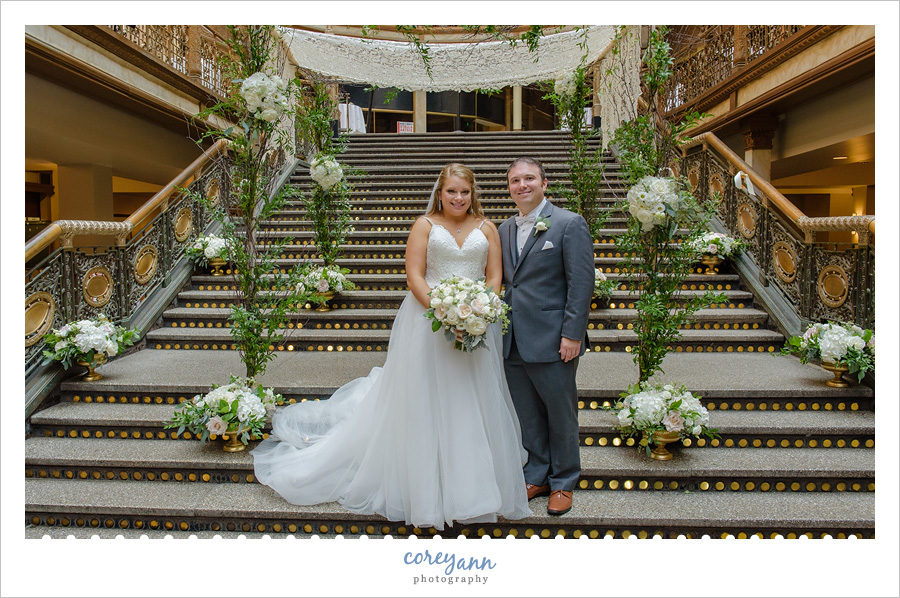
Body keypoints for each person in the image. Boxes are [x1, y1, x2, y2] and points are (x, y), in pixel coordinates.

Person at [252, 163, 532, 530]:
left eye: (464, 192)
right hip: (428, 323)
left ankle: (472, 486)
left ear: (472, 192)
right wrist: (444, 311)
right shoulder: (424, 225)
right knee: (425, 399)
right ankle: (425, 488)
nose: (458, 198)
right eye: (451, 192)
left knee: (471, 398)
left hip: (476, 326)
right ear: (440, 192)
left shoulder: (487, 228)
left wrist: (481, 308)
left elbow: (494, 276)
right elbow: (414, 273)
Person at [498, 158, 595, 516]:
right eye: (514, 181)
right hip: (513, 339)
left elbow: (581, 283)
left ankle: (564, 480)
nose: (521, 185)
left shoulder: (569, 223)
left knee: (560, 412)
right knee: (527, 414)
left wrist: (572, 334)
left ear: (544, 182)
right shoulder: (505, 228)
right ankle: (536, 473)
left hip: (555, 339)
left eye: (528, 179)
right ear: (508, 187)